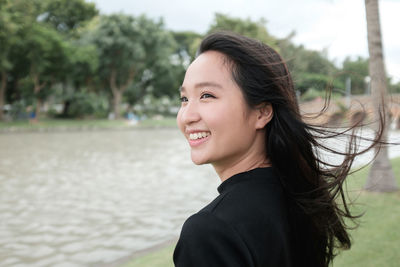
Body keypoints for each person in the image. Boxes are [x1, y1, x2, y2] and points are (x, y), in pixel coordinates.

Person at [173, 31, 381, 267]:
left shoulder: (211, 231)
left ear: (262, 112)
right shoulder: (300, 196)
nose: (187, 115)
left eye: (207, 95)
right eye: (184, 99)